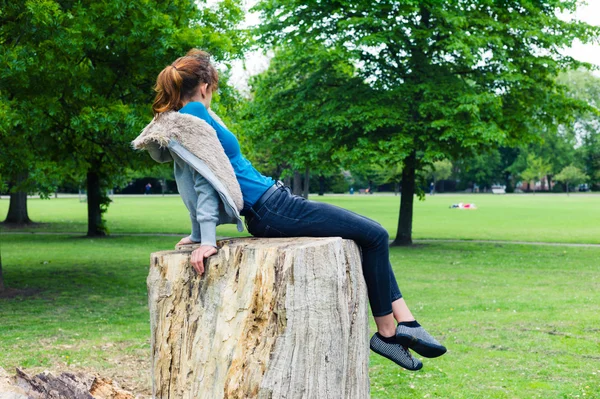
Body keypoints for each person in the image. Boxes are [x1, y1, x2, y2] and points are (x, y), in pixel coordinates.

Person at [132, 49, 446, 371]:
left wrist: (199, 233)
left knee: (370, 236)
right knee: (376, 235)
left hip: (276, 203)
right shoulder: (195, 116)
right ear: (205, 86)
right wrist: (206, 238)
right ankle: (389, 331)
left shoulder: (194, 118)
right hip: (272, 209)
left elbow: (195, 177)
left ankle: (403, 323)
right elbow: (203, 181)